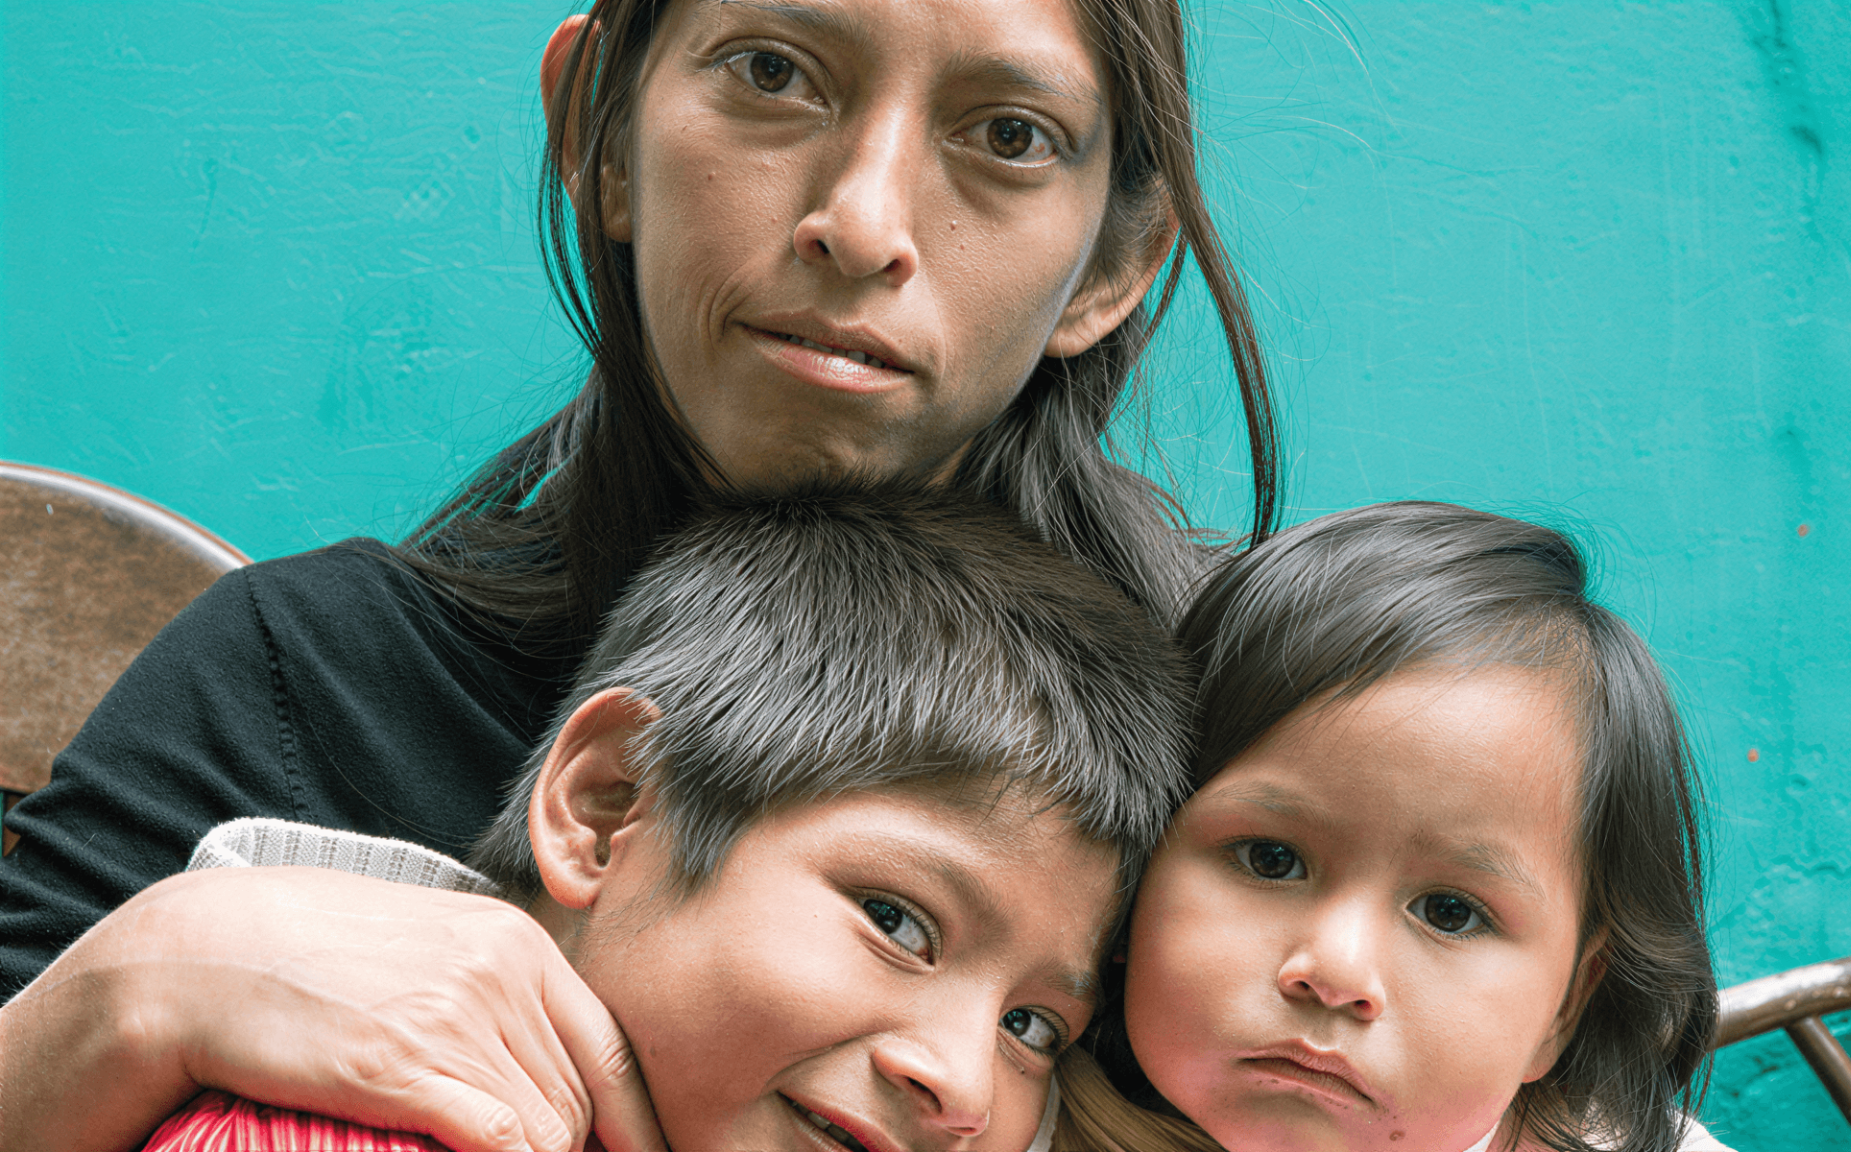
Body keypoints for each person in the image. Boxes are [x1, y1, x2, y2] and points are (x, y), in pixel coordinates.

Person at [0, 1, 1279, 1149]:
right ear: (602, 130)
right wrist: (145, 981)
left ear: (1113, 264)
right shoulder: (303, 675)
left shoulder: (1248, 769)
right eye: (773, 70)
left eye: (1008, 135)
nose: (865, 223)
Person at [129, 481, 1197, 1152]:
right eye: (897, 921)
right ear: (606, 810)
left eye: (1031, 1028)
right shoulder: (326, 1125)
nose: (962, 1084)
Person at [1051, 502, 1731, 1152]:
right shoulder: (989, 1110)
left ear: (1565, 1008)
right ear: (1131, 879)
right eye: (1270, 860)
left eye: (1450, 912)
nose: (1336, 972)